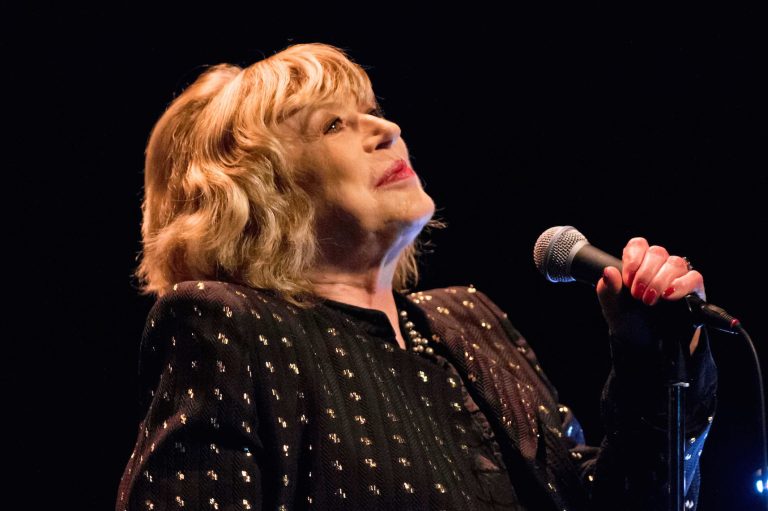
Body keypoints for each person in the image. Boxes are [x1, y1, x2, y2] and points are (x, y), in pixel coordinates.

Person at [116, 43, 717, 510]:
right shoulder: (231, 326)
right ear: (262, 194)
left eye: (373, 113)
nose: (386, 130)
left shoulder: (470, 320)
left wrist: (654, 364)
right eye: (333, 125)